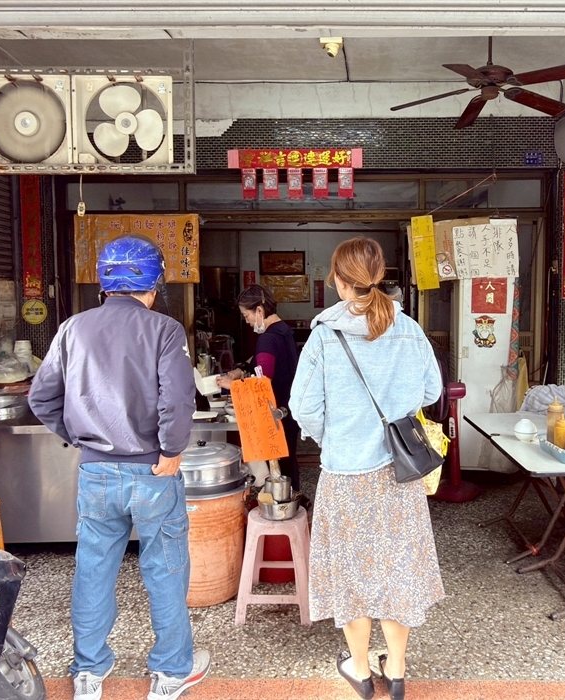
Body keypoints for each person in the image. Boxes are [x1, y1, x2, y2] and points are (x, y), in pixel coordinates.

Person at [29, 236, 211, 700]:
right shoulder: (165, 330)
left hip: (96, 474)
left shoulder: (71, 328)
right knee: (165, 569)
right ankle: (170, 674)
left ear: (105, 283)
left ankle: (88, 671)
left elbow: (41, 397)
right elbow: (178, 399)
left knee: (93, 568)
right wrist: (171, 452)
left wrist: (77, 436)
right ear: (154, 283)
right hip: (153, 471)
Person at [289, 237, 444, 700]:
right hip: (399, 474)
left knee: (352, 572)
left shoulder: (323, 335)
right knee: (398, 569)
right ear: (381, 276)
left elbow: (303, 406)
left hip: (345, 474)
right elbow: (431, 391)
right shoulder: (409, 329)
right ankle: (395, 671)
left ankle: (359, 668)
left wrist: (330, 436)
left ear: (338, 280)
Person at [217, 284, 302, 497]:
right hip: (289, 407)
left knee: (278, 467)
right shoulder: (284, 331)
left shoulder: (267, 338)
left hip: (273, 413)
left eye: (247, 316)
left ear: (260, 311)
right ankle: (295, 501)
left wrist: (233, 385)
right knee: (289, 460)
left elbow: (262, 382)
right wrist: (240, 370)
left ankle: (282, 509)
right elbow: (260, 362)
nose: (247, 321)